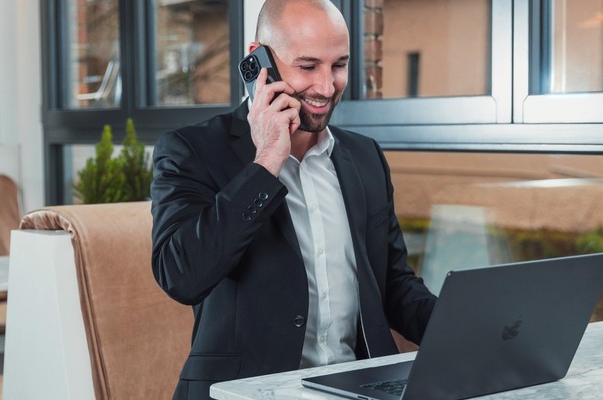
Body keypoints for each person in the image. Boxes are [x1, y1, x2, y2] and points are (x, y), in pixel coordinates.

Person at [150, 1, 437, 398]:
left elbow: (394, 285)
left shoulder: (365, 156)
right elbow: (180, 276)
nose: (325, 86)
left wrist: (472, 331)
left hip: (357, 388)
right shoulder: (191, 150)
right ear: (259, 60)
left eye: (339, 65)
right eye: (307, 66)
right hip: (245, 392)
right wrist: (267, 160)